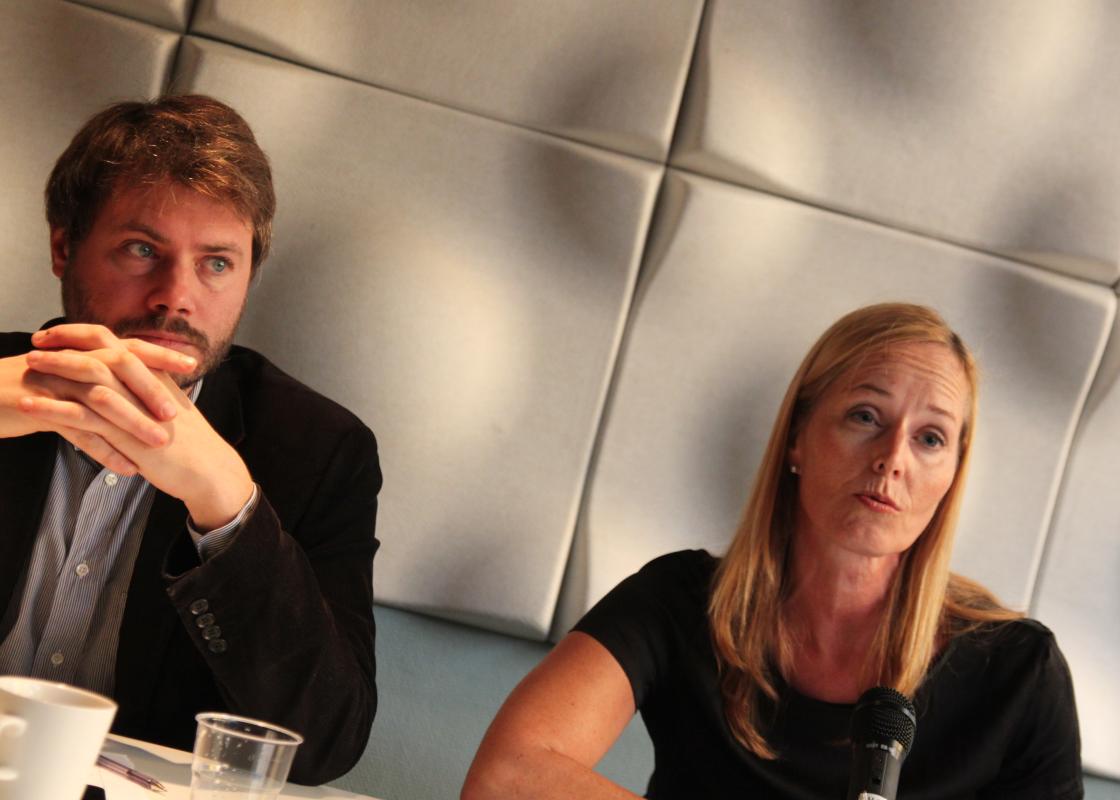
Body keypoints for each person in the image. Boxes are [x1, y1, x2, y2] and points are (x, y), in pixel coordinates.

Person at [461, 303, 1083, 799]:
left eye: (930, 438)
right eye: (865, 416)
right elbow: (506, 777)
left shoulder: (1019, 672)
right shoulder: (679, 601)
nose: (892, 459)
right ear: (796, 439)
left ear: (951, 476)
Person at [0, 95, 381, 785]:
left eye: (216, 263)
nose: (175, 296)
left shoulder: (320, 451)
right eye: (142, 250)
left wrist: (225, 502)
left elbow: (323, 744)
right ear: (63, 247)